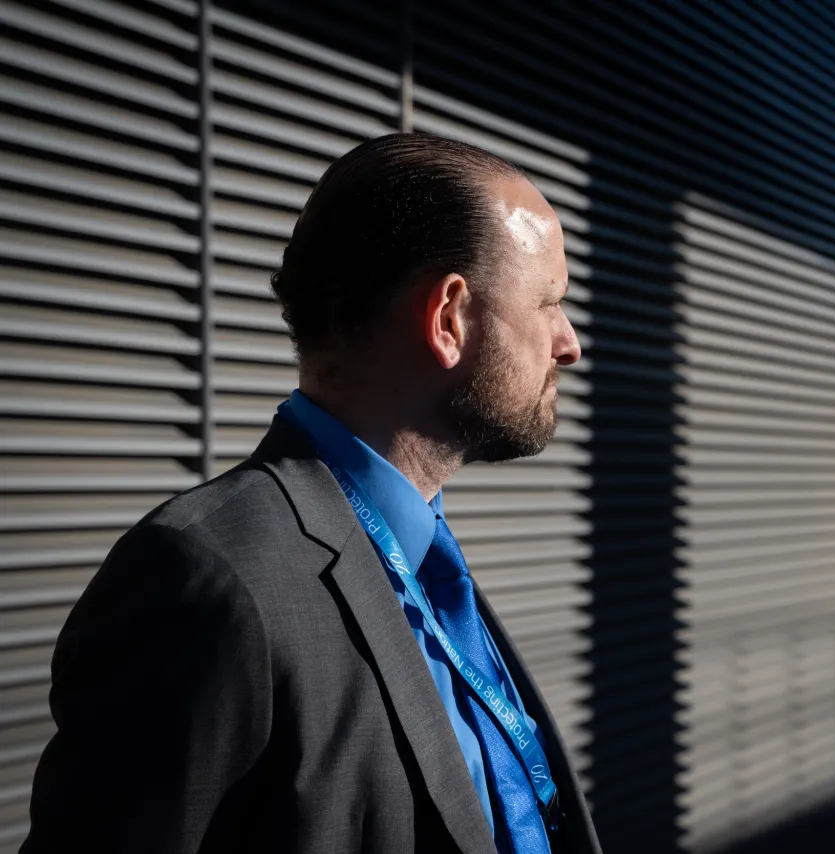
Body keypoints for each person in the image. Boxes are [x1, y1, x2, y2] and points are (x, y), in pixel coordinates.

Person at [22, 133, 601, 854]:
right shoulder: (208, 579)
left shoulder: (423, 560)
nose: (569, 342)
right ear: (450, 318)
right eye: (548, 302)